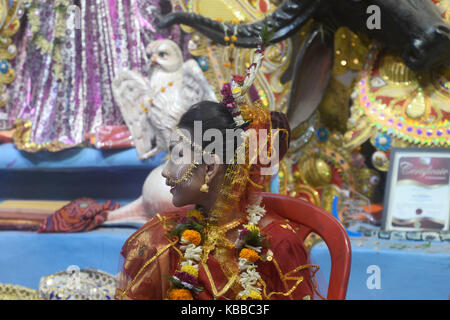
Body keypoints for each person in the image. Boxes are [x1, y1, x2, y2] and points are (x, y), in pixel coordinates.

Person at [115, 46, 321, 300]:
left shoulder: (277, 245)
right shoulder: (165, 239)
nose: (166, 174)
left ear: (211, 168)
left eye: (178, 156)